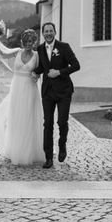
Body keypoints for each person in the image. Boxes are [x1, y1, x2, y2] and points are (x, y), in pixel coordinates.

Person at [0, 29, 45, 165]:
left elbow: (41, 70)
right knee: (16, 117)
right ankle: (16, 149)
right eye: (26, 41)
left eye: (31, 41)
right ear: (22, 42)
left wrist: (37, 75)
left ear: (34, 42)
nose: (28, 43)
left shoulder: (37, 55)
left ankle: (30, 151)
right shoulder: (17, 51)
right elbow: (2, 53)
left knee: (29, 117)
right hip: (17, 89)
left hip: (30, 89)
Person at [33, 22, 80, 169]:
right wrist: (35, 72)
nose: (48, 33)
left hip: (64, 91)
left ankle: (62, 145)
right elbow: (43, 66)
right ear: (43, 33)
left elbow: (76, 65)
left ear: (55, 32)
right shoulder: (40, 49)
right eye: (46, 31)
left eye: (50, 31)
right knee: (47, 124)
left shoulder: (64, 47)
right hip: (47, 91)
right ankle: (48, 157)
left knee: (61, 122)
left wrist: (59, 72)